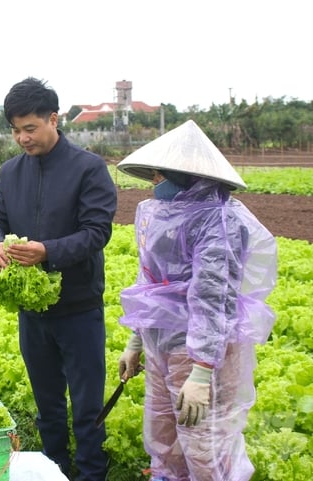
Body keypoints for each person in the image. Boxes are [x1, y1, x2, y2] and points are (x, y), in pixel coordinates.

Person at [116, 119, 278, 481]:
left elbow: (213, 297)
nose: (154, 182)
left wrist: (203, 371)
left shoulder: (218, 220)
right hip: (163, 344)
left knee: (204, 445)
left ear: (184, 175)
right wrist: (135, 342)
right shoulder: (160, 214)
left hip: (199, 351)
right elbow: (151, 284)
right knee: (163, 433)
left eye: (160, 176)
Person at [0, 77, 117, 481]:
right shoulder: (10, 172)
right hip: (33, 314)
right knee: (48, 405)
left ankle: (92, 475)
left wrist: (48, 252)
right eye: (15, 130)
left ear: (53, 119)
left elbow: (97, 233)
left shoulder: (89, 169)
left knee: (88, 407)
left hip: (78, 309)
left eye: (30, 128)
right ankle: (55, 471)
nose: (22, 138)